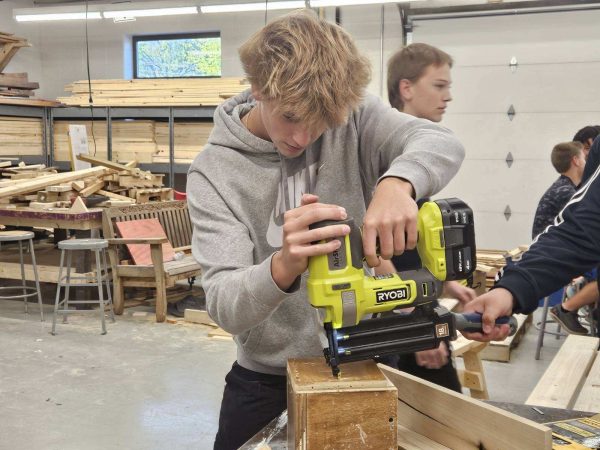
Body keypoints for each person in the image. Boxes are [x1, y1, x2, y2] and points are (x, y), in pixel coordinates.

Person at [187, 12, 465, 450]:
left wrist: (398, 183)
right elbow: (223, 305)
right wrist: (282, 266)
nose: (303, 136)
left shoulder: (353, 117)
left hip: (366, 359)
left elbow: (442, 142)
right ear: (259, 88)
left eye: (320, 122)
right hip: (267, 380)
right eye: (291, 116)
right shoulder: (214, 172)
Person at [378, 43, 474, 392]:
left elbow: (412, 245)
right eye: (438, 85)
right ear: (406, 88)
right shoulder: (386, 154)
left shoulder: (419, 154)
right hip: (396, 311)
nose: (447, 96)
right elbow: (372, 255)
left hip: (416, 301)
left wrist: (447, 285)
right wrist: (416, 329)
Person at [462, 144, 600, 343]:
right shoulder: (566, 189)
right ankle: (567, 307)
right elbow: (581, 231)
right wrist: (512, 288)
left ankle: (569, 304)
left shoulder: (567, 187)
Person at [532, 141, 586, 239]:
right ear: (576, 161)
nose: (586, 163)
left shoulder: (563, 186)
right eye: (584, 159)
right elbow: (586, 225)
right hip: (549, 252)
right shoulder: (565, 192)